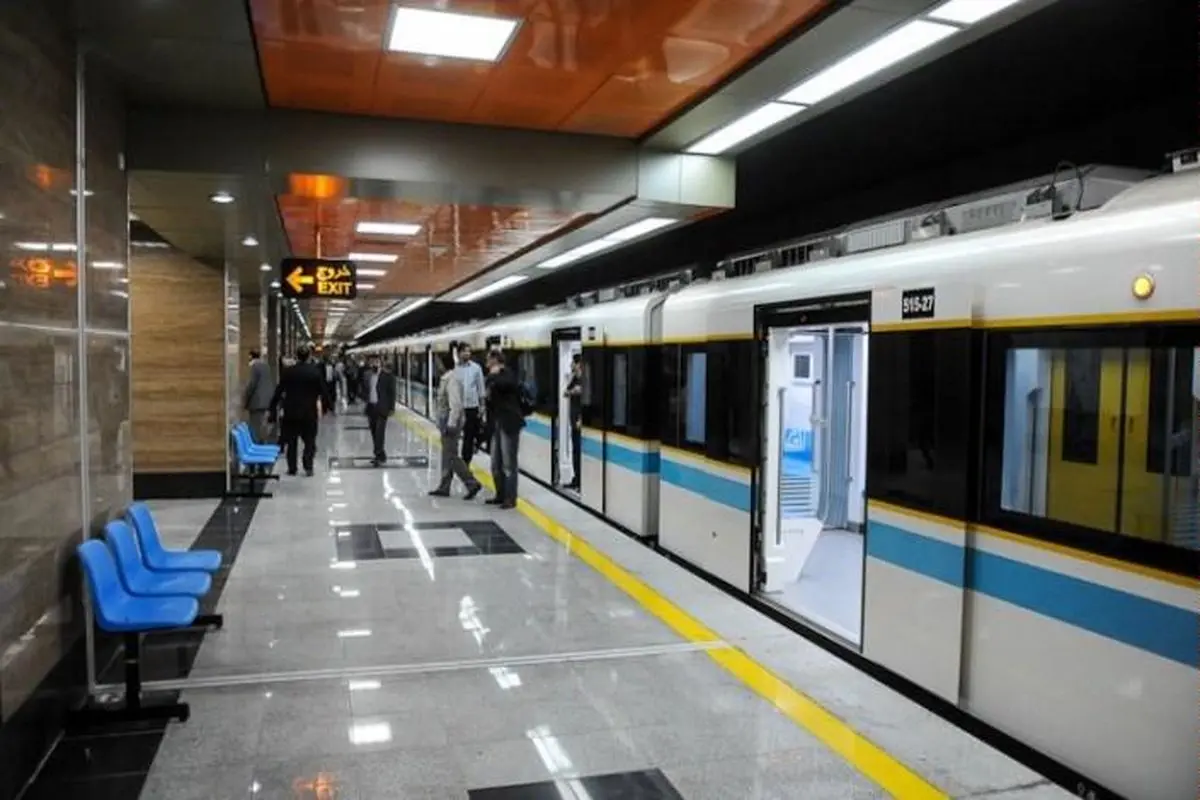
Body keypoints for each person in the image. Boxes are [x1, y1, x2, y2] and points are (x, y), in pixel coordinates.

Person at [429, 352, 482, 499]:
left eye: (437, 362)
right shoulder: (448, 378)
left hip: (450, 422)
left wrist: (451, 424)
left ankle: (472, 483)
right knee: (447, 455)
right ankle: (444, 486)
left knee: (451, 456)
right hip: (447, 421)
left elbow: (456, 405)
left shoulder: (451, 380)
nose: (436, 365)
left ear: (443, 364)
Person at [269, 345, 324, 476]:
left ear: (297, 356)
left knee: (291, 442)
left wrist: (272, 406)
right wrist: (328, 406)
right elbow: (323, 390)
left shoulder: (288, 372)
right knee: (310, 441)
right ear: (309, 356)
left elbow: (279, 390)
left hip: (291, 412)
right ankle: (308, 466)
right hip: (309, 413)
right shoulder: (315, 372)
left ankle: (292, 468)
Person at [484, 349, 523, 509]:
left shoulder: (508, 374)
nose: (486, 363)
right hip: (496, 423)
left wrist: (494, 375)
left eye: (488, 359)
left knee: (508, 464)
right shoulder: (491, 377)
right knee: (495, 463)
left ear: (495, 360)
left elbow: (507, 385)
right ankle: (500, 494)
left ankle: (510, 498)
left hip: (509, 422)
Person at [455, 343, 486, 466]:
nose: (467, 353)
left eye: (469, 351)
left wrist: (482, 406)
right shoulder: (454, 369)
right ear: (459, 353)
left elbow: (481, 387)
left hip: (472, 407)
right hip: (457, 408)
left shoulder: (476, 368)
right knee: (455, 435)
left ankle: (466, 461)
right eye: (464, 351)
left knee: (469, 435)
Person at [364, 356, 396, 467]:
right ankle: (380, 455)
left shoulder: (388, 376)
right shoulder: (367, 375)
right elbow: (364, 388)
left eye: (377, 362)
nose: (374, 364)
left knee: (379, 433)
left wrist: (391, 408)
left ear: (380, 363)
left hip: (382, 409)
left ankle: (379, 455)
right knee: (374, 433)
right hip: (371, 407)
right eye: (372, 362)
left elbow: (392, 393)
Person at [243, 349, 276, 444]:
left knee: (255, 426)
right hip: (266, 401)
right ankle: (262, 442)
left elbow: (251, 385)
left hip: (257, 402)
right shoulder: (265, 366)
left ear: (250, 356)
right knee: (262, 425)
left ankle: (256, 443)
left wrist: (246, 400)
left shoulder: (254, 366)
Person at [564, 353, 583, 491]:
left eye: (573, 363)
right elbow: (566, 392)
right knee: (575, 452)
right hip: (573, 421)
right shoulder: (575, 378)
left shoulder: (585, 380)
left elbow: (587, 400)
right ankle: (576, 479)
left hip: (579, 422)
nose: (571, 365)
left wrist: (581, 419)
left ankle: (581, 482)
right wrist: (573, 390)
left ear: (578, 364)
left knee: (580, 453)